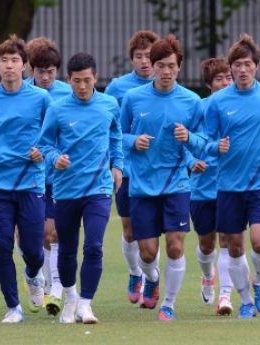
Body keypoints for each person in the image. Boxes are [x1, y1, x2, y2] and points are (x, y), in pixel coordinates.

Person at [120, 34, 207, 322]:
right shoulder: (133, 98)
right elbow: (115, 135)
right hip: (142, 185)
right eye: (160, 65)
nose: (166, 71)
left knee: (175, 246)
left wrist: (190, 138)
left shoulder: (192, 101)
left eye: (171, 65)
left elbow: (204, 141)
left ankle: (168, 304)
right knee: (146, 253)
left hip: (177, 185)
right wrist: (133, 141)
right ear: (152, 65)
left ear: (179, 67)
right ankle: (152, 279)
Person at [38, 52, 123, 324]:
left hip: (98, 189)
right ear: (68, 80)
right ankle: (70, 297)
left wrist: (118, 165)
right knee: (66, 249)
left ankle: (86, 303)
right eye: (77, 81)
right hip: (65, 190)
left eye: (87, 80)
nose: (83, 86)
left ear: (96, 78)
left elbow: (116, 136)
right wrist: (55, 158)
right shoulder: (57, 109)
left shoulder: (109, 105)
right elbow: (44, 145)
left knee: (94, 246)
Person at [0, 34, 52, 323]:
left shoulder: (41, 98)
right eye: (4, 60)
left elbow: (55, 133)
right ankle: (13, 307)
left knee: (33, 250)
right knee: (3, 245)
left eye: (14, 61)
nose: (9, 65)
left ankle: (33, 274)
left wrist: (43, 150)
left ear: (24, 66)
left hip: (31, 183)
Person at [205, 34, 260, 318]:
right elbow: (205, 140)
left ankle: (259, 282)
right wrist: (214, 146)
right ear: (230, 68)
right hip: (229, 185)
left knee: (259, 242)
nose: (242, 69)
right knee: (234, 247)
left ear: (256, 67)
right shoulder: (218, 102)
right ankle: (244, 300)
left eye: (247, 64)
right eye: (237, 65)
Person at [104, 30, 159, 305]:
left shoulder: (167, 86)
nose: (145, 61)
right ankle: (135, 273)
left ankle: (152, 279)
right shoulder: (117, 88)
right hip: (126, 170)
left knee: (152, 230)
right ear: (132, 60)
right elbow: (110, 127)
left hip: (157, 171)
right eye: (139, 56)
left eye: (149, 56)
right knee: (129, 229)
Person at [25, 36, 71, 316]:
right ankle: (37, 279)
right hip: (25, 177)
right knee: (30, 238)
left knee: (53, 234)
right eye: (40, 71)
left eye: (50, 71)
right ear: (31, 69)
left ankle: (55, 291)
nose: (45, 77)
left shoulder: (67, 93)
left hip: (57, 177)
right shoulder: (22, 93)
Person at [190, 57, 234, 315]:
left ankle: (225, 297)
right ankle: (208, 276)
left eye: (228, 77)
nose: (226, 82)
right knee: (207, 244)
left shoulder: (241, 105)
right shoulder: (199, 108)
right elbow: (187, 141)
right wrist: (193, 160)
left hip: (230, 185)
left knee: (228, 240)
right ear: (209, 84)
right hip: (202, 187)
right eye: (220, 78)